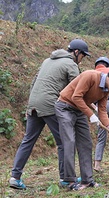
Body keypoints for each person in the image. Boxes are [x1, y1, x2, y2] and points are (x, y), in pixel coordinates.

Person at [9, 39, 90, 190]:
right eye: (83, 56)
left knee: (28, 140)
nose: (82, 60)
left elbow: (34, 82)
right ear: (77, 52)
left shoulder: (47, 60)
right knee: (65, 141)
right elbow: (77, 88)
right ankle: (66, 178)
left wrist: (29, 106)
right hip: (51, 103)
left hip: (34, 103)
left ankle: (15, 177)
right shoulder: (70, 64)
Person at [55, 68, 109, 190]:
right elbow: (76, 97)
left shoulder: (106, 90)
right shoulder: (90, 76)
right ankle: (70, 181)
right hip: (65, 107)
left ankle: (87, 180)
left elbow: (102, 110)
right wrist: (91, 115)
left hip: (79, 110)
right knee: (70, 141)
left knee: (86, 143)